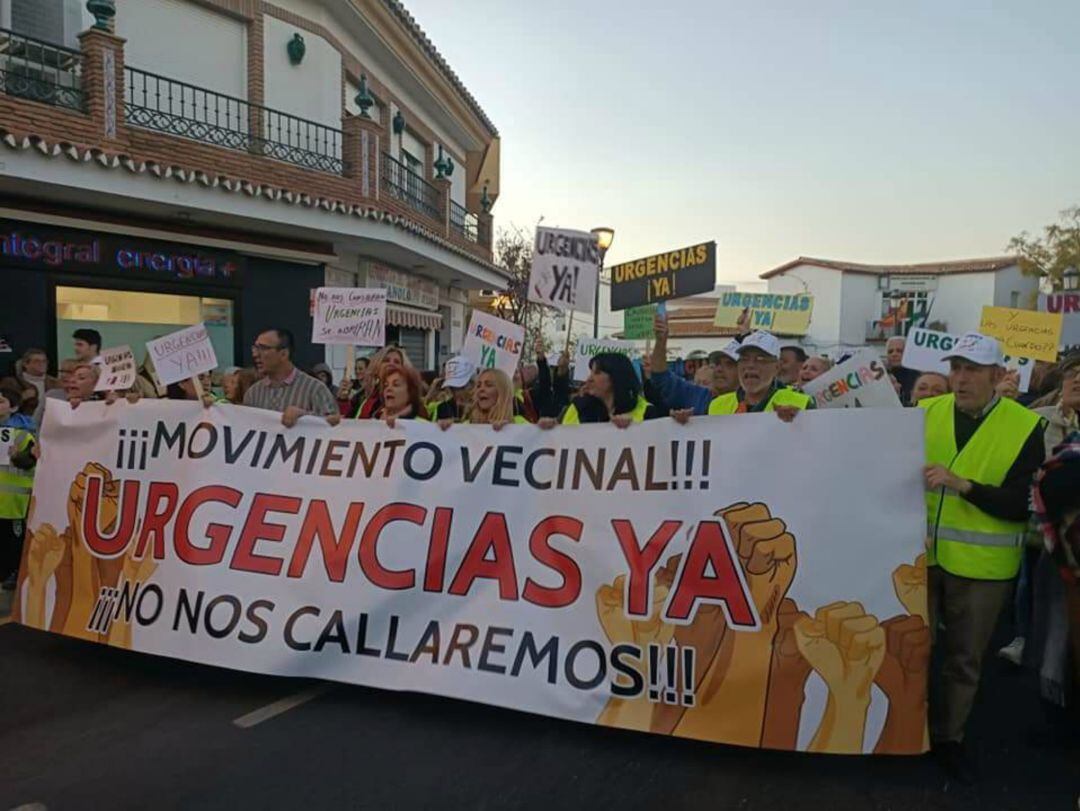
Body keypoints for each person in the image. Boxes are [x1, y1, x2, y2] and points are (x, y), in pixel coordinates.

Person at [920, 332, 1046, 783]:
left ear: (997, 375)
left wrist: (964, 486)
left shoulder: (1025, 426)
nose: (960, 378)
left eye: (972, 370)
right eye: (956, 368)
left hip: (983, 569)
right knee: (912, 650)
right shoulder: (925, 411)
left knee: (963, 659)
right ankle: (906, 731)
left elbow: (1021, 505)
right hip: (921, 560)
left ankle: (948, 739)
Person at [1008, 354, 1079, 704]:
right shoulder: (1035, 420)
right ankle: (1028, 645)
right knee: (1039, 598)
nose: (1078, 380)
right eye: (1073, 375)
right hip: (1040, 533)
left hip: (1072, 544)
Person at [652, 316, 811, 421]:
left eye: (760, 359)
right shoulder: (716, 406)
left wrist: (801, 423)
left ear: (776, 367)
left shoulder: (801, 403)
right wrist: (688, 425)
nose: (750, 365)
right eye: (744, 359)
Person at [243, 328, 338, 427]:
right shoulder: (253, 393)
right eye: (255, 348)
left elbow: (334, 425)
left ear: (284, 354)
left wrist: (305, 416)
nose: (255, 354)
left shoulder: (315, 389)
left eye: (263, 348)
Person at [555, 352, 660, 426]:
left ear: (616, 377)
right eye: (590, 372)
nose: (589, 378)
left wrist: (631, 431)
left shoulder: (646, 412)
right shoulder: (578, 408)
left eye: (597, 373)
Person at [0, 386, 36, 589]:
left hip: (14, 502)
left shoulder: (22, 435)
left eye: (1, 402)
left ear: (13, 408)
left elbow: (32, 461)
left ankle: (15, 572)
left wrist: (17, 456)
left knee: (13, 542)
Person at [886, 336, 920, 405]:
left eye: (899, 351)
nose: (894, 354)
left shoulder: (919, 379)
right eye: (890, 352)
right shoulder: (882, 377)